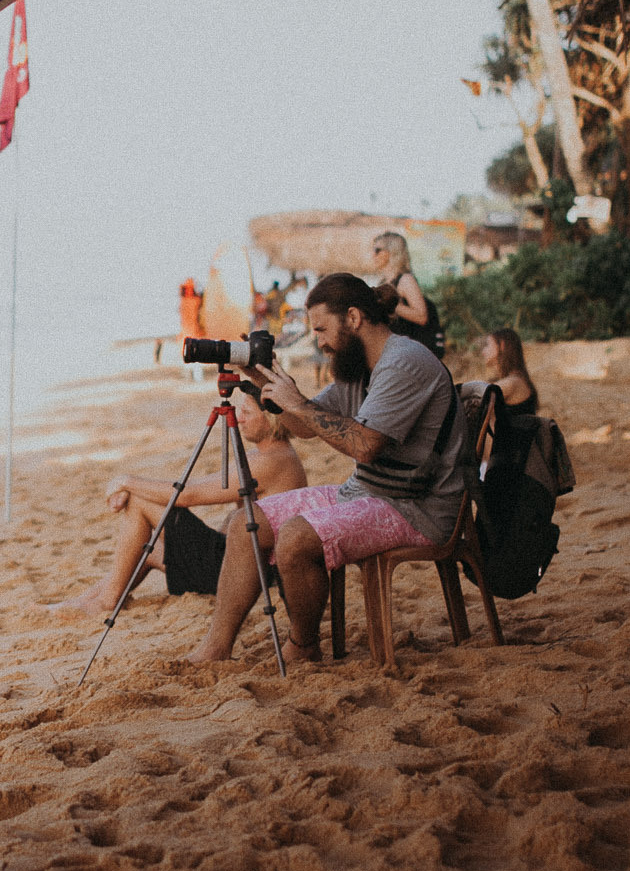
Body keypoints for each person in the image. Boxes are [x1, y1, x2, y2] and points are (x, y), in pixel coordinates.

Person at [186, 274, 465, 668]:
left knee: (298, 539)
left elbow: (364, 446)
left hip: (417, 506)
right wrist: (269, 387)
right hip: (369, 492)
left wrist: (298, 403)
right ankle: (215, 648)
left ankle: (303, 645)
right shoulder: (357, 367)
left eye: (320, 329)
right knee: (246, 521)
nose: (318, 341)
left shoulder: (404, 362)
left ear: (352, 317)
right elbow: (305, 428)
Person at [53, 398, 306, 617]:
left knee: (141, 501)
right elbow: (198, 490)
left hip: (243, 572)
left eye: (248, 413)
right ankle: (88, 600)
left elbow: (189, 495)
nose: (238, 419)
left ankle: (106, 602)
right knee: (148, 548)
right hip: (236, 559)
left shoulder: (272, 461)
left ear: (273, 419)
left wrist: (127, 482)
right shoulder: (270, 454)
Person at [369, 231, 442, 358]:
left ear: (390, 252)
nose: (373, 255)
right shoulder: (383, 282)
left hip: (412, 355)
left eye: (377, 250)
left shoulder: (405, 280)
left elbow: (422, 316)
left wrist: (391, 304)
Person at [487, 327, 539, 416]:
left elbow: (478, 399)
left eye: (487, 345)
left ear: (502, 345)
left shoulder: (513, 382)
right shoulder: (517, 379)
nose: (483, 351)